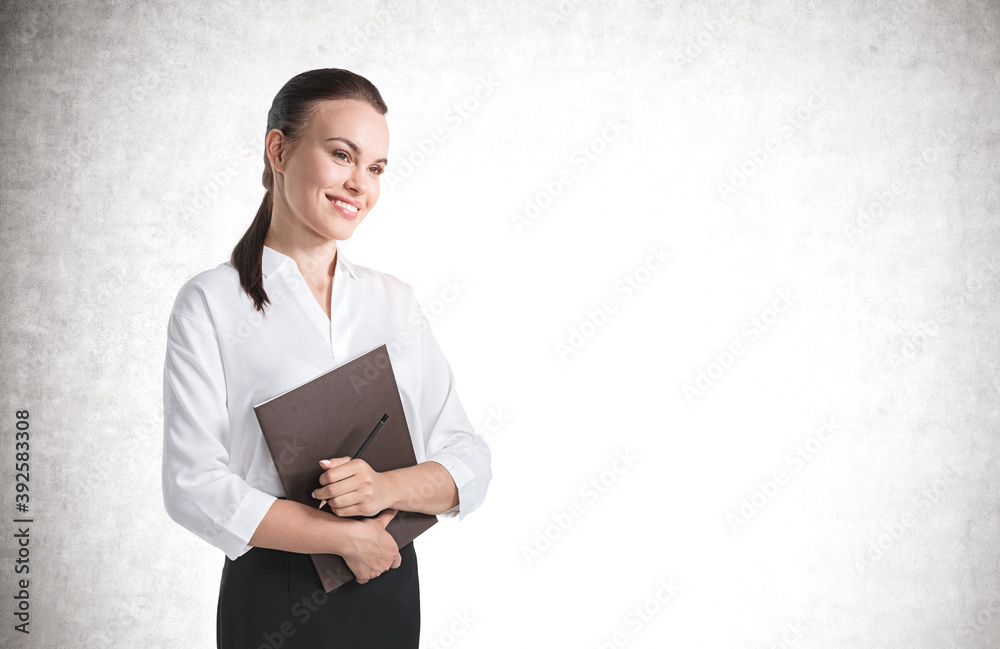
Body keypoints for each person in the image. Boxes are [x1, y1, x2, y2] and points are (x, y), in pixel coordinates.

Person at [160, 68, 492, 649]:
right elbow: (192, 484)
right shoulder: (211, 302)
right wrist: (339, 537)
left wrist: (385, 490)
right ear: (279, 149)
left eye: (377, 168)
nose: (359, 183)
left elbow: (468, 458)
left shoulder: (394, 301)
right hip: (273, 590)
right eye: (342, 155)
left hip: (386, 580)